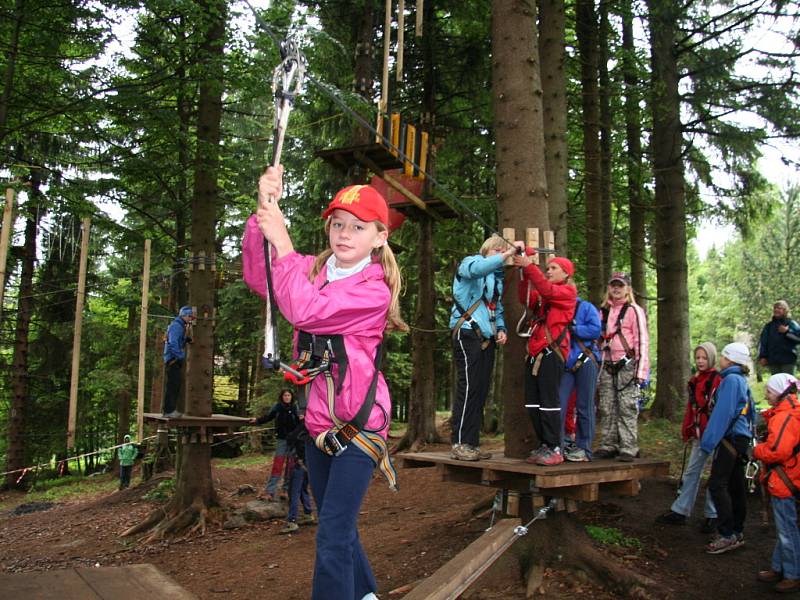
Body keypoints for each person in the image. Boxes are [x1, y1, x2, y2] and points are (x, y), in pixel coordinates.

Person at [243, 166, 406, 600]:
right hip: (319, 426)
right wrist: (264, 210)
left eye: (357, 227)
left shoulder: (374, 291)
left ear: (379, 237)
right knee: (341, 526)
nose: (344, 233)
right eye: (337, 224)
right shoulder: (312, 270)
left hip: (361, 425)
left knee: (331, 532)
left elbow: (307, 312)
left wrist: (284, 242)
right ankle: (367, 594)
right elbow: (263, 279)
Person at [449, 235, 516, 461]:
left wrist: (501, 328)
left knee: (479, 390)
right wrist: (505, 255)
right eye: (499, 251)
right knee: (468, 388)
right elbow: (477, 270)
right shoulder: (470, 263)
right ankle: (459, 443)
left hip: (485, 337)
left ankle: (471, 443)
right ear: (491, 249)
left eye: (504, 252)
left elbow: (496, 309)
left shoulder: (496, 280)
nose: (502, 255)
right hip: (467, 332)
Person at [513, 248, 577, 466]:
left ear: (566, 274)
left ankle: (554, 446)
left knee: (549, 402)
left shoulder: (567, 293)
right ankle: (544, 444)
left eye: (553, 268)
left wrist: (529, 266)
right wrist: (524, 274)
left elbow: (547, 290)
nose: (548, 271)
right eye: (547, 268)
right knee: (533, 403)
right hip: (535, 351)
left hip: (552, 352)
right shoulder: (544, 293)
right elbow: (527, 298)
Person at [656, 342, 721, 530]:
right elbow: (691, 409)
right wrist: (688, 429)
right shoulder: (695, 380)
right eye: (698, 358)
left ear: (711, 358)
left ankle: (713, 514)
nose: (700, 361)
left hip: (714, 434)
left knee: (715, 474)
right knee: (692, 471)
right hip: (700, 433)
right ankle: (681, 510)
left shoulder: (717, 380)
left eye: (704, 358)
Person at [700, 342, 755, 555]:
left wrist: (708, 442)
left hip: (729, 439)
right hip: (739, 438)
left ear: (730, 359)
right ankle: (736, 530)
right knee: (735, 485)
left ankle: (726, 534)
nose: (720, 359)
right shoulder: (740, 379)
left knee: (717, 484)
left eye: (723, 356)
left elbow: (723, 414)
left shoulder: (731, 380)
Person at [595, 272, 649, 462]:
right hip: (607, 364)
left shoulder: (634, 311)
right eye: (613, 285)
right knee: (607, 405)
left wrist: (641, 371)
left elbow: (642, 340)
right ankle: (609, 444)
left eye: (620, 285)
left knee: (627, 406)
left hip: (627, 364)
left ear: (627, 289)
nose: (616, 289)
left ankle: (629, 447)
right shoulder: (604, 311)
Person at [754, 373, 800, 592]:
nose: (766, 394)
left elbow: (777, 451)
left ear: (781, 393)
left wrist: (755, 450)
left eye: (770, 391)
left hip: (785, 480)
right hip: (791, 477)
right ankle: (779, 566)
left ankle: (792, 573)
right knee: (785, 526)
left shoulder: (784, 417)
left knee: (787, 529)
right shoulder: (792, 413)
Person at [558, 296, 601, 462]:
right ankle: (558, 445)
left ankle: (584, 448)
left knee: (585, 406)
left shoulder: (586, 307)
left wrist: (574, 329)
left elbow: (595, 330)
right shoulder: (556, 307)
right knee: (559, 405)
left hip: (586, 359)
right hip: (566, 363)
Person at [250, 388, 300, 501]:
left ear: (291, 397)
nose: (287, 397)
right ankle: (270, 491)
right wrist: (257, 421)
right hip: (281, 440)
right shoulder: (277, 407)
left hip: (293, 441)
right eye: (285, 395)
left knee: (290, 466)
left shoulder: (295, 408)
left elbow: (301, 423)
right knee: (278, 465)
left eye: (288, 395)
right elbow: (268, 417)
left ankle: (285, 490)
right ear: (282, 397)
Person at [280, 418, 316, 534]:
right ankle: (308, 513)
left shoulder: (304, 425)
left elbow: (291, 438)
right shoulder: (317, 424)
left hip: (299, 462)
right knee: (302, 489)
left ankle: (292, 521)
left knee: (294, 491)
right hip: (308, 463)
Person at [162, 305, 194, 417]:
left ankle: (170, 410)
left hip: (173, 358)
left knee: (175, 384)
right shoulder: (176, 326)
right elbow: (173, 342)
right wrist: (180, 355)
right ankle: (169, 411)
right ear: (184, 316)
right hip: (173, 359)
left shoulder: (180, 326)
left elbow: (178, 340)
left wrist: (186, 340)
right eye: (190, 316)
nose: (190, 319)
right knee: (173, 385)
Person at [758, 300, 800, 375]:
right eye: (775, 308)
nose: (776, 310)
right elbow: (763, 342)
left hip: (788, 360)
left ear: (785, 310)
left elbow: (798, 339)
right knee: (776, 384)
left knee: (788, 384)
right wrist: (762, 356)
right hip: (773, 360)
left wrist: (787, 332)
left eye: (779, 308)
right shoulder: (769, 326)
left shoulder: (791, 324)